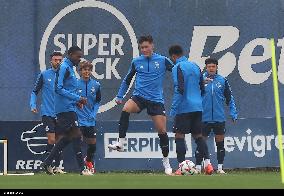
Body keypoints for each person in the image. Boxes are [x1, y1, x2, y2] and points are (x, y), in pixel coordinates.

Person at [108, 35, 174, 175]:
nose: (144, 50)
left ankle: (166, 162)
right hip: (139, 97)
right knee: (126, 108)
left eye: (146, 47)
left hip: (156, 100)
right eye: (141, 47)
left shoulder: (162, 60)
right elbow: (127, 80)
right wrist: (120, 96)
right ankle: (121, 143)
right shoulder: (136, 61)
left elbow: (177, 72)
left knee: (162, 131)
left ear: (152, 46)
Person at [41, 46, 92, 175]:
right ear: (70, 55)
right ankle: (83, 169)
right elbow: (58, 88)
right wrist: (78, 98)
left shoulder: (70, 68)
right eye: (77, 56)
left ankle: (47, 162)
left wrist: (76, 101)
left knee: (68, 137)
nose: (79, 59)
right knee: (76, 135)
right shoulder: (64, 67)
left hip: (69, 107)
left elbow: (69, 89)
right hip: (64, 109)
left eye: (80, 56)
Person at [168, 45, 213, 175]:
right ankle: (208, 165)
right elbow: (202, 88)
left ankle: (181, 167)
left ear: (173, 57)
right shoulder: (195, 66)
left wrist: (173, 109)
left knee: (179, 136)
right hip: (198, 107)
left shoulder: (177, 67)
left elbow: (179, 89)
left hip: (184, 107)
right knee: (198, 136)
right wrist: (198, 101)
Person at [30, 52, 66, 174]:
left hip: (61, 114)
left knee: (59, 141)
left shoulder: (66, 76)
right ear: (51, 61)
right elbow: (34, 91)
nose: (57, 62)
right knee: (51, 140)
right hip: (48, 113)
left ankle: (57, 167)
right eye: (55, 60)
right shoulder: (44, 75)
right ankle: (46, 164)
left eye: (60, 60)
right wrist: (32, 104)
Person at [202, 58, 238, 174]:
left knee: (220, 143)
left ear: (216, 67)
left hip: (219, 118)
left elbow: (229, 98)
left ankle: (220, 168)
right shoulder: (200, 80)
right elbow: (193, 96)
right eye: (209, 67)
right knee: (201, 143)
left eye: (213, 66)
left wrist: (233, 112)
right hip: (204, 117)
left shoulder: (222, 80)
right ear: (206, 68)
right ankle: (198, 167)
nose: (211, 68)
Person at [76, 61, 101, 174]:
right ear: (80, 71)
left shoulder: (96, 85)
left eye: (88, 69)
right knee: (78, 143)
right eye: (84, 69)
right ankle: (82, 168)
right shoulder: (75, 84)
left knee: (93, 145)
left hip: (90, 120)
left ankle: (89, 161)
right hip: (78, 119)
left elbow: (97, 101)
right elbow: (70, 99)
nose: (86, 71)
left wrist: (93, 113)